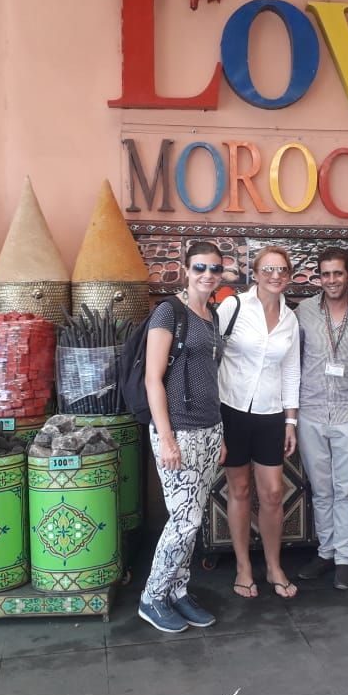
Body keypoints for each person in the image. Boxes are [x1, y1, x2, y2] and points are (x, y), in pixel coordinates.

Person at [139, 241, 227, 633]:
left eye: (214, 268)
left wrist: (219, 431)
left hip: (209, 429)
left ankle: (178, 590)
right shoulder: (168, 312)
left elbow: (212, 378)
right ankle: (152, 596)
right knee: (185, 520)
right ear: (185, 270)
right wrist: (167, 438)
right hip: (178, 431)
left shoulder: (211, 316)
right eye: (200, 268)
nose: (207, 275)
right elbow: (152, 379)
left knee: (191, 518)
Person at [217, 246, 301, 599]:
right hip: (230, 409)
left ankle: (273, 565)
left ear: (289, 274)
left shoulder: (290, 319)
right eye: (268, 268)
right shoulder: (233, 307)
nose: (275, 274)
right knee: (239, 490)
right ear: (255, 272)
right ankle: (243, 567)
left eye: (282, 269)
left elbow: (291, 369)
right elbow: (209, 354)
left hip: (270, 415)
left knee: (272, 493)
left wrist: (290, 420)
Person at [294, 247, 348, 590]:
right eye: (325, 274)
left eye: (337, 274)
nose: (331, 281)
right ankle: (325, 553)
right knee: (322, 489)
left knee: (346, 489)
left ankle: (344, 558)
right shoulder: (304, 311)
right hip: (310, 410)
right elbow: (289, 360)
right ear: (319, 277)